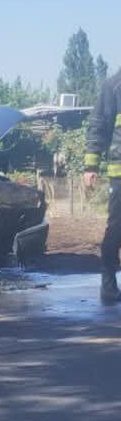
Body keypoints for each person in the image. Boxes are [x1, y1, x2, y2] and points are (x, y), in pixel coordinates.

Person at [84, 70, 121, 303]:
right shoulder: (114, 85)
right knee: (116, 229)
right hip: (120, 175)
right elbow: (98, 124)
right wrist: (91, 166)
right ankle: (108, 285)